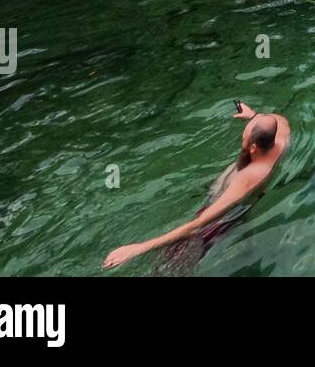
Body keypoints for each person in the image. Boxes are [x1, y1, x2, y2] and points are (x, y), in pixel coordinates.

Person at [103, 101, 290, 269]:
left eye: (244, 137)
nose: (242, 137)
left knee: (171, 266)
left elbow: (197, 226)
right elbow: (276, 119)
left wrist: (138, 248)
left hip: (215, 225)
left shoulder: (248, 179)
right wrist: (253, 116)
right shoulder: (280, 137)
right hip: (227, 197)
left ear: (253, 148)